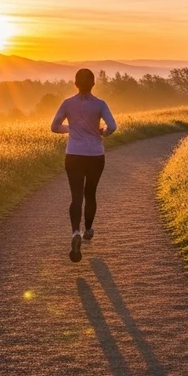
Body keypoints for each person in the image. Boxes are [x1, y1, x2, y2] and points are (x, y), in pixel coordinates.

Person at [51, 68, 117, 262]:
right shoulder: (100, 104)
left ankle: (74, 233)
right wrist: (102, 133)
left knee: (76, 196)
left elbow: (54, 127)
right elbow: (112, 126)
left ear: (75, 84)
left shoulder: (67, 104)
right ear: (93, 84)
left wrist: (70, 128)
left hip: (73, 154)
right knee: (90, 194)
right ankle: (88, 230)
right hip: (95, 155)